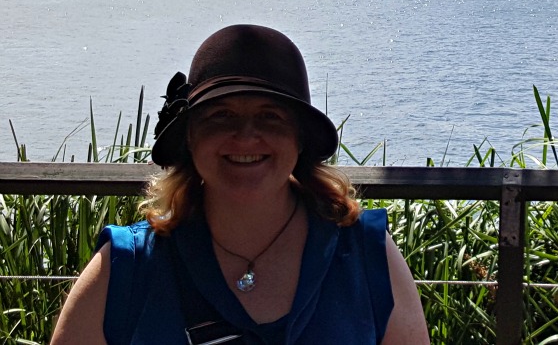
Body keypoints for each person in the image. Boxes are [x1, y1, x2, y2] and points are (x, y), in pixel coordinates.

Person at [51, 24, 430, 344]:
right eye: (221, 116)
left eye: (270, 116)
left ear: (299, 139)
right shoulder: (127, 266)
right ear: (190, 138)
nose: (246, 136)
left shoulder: (366, 254)